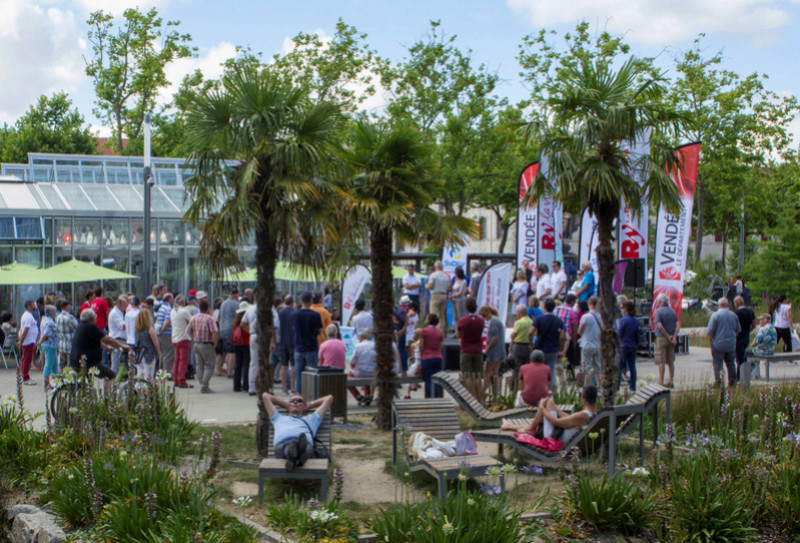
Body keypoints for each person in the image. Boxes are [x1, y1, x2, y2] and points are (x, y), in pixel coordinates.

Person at [501, 386, 598, 447]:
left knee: (547, 402)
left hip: (554, 438)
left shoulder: (582, 416)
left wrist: (542, 407)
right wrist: (556, 409)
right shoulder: (593, 414)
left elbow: (555, 422)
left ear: (583, 398)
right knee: (549, 403)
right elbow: (570, 419)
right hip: (560, 435)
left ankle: (529, 428)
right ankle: (511, 426)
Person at [261, 392, 333, 471]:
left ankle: (293, 458)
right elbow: (265, 396)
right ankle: (296, 453)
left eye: (299, 401)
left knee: (305, 448)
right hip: (283, 444)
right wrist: (287, 405)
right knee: (290, 448)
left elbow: (329, 398)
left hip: (305, 445)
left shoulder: (312, 419)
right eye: (292, 401)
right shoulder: (278, 417)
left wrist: (309, 405)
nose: (295, 402)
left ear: (304, 406)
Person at [69, 308, 131, 379]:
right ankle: (110, 390)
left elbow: (97, 340)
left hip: (75, 361)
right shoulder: (90, 327)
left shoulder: (81, 326)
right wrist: (122, 345)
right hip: (88, 363)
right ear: (92, 318)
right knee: (111, 375)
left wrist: (107, 348)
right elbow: (107, 339)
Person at [292, 291, 323, 394]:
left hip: (299, 348)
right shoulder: (315, 315)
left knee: (299, 376)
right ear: (310, 301)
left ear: (301, 301)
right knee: (312, 375)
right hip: (311, 348)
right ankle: (311, 395)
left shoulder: (295, 314)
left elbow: (293, 328)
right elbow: (319, 331)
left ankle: (298, 397)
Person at [532, 298, 565, 390]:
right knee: (551, 371)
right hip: (553, 349)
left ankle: (539, 390)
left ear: (544, 307)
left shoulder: (539, 319)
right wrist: (559, 348)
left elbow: (531, 332)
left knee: (538, 370)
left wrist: (531, 344)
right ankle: (551, 392)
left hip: (540, 348)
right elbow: (562, 337)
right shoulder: (558, 320)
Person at [708, 297, 741, 387]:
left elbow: (710, 332)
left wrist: (711, 342)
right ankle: (732, 381)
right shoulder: (733, 315)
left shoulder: (715, 316)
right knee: (731, 364)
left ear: (719, 305)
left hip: (718, 343)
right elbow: (738, 330)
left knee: (718, 364)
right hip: (730, 343)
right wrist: (733, 338)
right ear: (727, 305)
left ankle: (718, 381)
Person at [456, 297, 485, 402]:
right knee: (477, 376)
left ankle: (469, 398)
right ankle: (479, 397)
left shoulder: (463, 320)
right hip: (477, 349)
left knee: (467, 375)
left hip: (466, 350)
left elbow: (459, 334)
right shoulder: (481, 321)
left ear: (466, 307)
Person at [188, 299, 218, 392]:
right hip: (207, 343)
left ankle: (202, 384)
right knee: (210, 365)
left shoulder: (193, 317)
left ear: (199, 308)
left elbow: (188, 331)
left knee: (199, 365)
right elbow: (214, 332)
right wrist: (215, 343)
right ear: (207, 308)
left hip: (197, 343)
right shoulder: (209, 318)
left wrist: (194, 338)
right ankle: (204, 385)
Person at [479, 305, 505, 404]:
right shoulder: (496, 321)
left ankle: (482, 394)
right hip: (498, 350)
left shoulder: (494, 322)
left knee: (489, 373)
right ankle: (495, 396)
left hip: (495, 351)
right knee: (494, 373)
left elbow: (495, 337)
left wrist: (487, 348)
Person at [653, 293, 679, 388]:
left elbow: (659, 326)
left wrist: (667, 336)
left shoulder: (658, 312)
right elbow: (677, 325)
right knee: (671, 361)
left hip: (661, 338)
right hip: (672, 339)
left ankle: (661, 381)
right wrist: (674, 336)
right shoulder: (672, 311)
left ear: (660, 301)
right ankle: (671, 381)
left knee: (661, 361)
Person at [347, 328, 377, 405]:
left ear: (363, 337)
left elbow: (352, 362)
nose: (358, 338)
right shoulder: (376, 345)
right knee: (365, 372)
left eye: (359, 336)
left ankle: (358, 396)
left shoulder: (358, 346)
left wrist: (354, 367)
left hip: (361, 371)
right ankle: (367, 396)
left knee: (346, 378)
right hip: (374, 372)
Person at [554, 294, 580, 383]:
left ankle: (558, 373)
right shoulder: (573, 312)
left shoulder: (557, 309)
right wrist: (574, 340)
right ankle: (569, 376)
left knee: (558, 356)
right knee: (570, 358)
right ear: (572, 302)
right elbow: (574, 327)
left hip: (557, 335)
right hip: (567, 337)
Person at [578, 296, 602, 387]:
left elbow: (580, 330)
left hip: (587, 345)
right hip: (598, 345)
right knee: (598, 369)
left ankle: (586, 387)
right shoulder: (601, 317)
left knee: (587, 369)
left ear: (590, 304)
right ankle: (599, 387)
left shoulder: (586, 316)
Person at [418, 313, 444, 398]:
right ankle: (436, 397)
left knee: (428, 380)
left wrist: (421, 356)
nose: (425, 320)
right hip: (438, 357)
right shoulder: (439, 332)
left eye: (426, 319)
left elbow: (421, 346)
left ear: (429, 321)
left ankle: (430, 399)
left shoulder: (424, 331)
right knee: (436, 380)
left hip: (427, 357)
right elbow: (441, 346)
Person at [616, 301, 639, 391]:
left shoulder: (624, 319)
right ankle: (633, 386)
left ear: (625, 309)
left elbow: (620, 333)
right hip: (633, 345)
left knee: (620, 366)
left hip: (623, 345)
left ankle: (617, 387)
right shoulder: (635, 320)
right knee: (632, 366)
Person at [242, 298, 263, 396]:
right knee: (264, 361)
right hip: (263, 336)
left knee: (253, 363)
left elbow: (242, 323)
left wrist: (249, 330)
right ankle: (263, 386)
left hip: (253, 335)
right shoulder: (268, 309)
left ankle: (252, 387)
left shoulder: (249, 309)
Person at [734, 296, 756, 383]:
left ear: (737, 303)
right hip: (746, 337)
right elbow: (754, 325)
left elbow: (735, 327)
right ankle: (741, 374)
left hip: (738, 338)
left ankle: (740, 377)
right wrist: (747, 331)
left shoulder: (736, 313)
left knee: (739, 359)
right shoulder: (750, 311)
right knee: (743, 356)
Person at [134, 308, 161, 380]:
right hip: (149, 353)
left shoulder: (137, 329)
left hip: (139, 354)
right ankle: (147, 390)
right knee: (149, 375)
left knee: (140, 374)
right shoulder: (150, 329)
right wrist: (158, 352)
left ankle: (139, 389)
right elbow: (156, 343)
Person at [218, 289, 240, 376]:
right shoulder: (236, 304)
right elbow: (238, 317)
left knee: (222, 352)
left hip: (222, 329)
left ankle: (219, 370)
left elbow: (219, 318)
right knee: (231, 352)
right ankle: (229, 372)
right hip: (231, 329)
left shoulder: (223, 303)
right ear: (235, 295)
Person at [426, 260, 451, 335]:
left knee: (433, 314)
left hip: (435, 295)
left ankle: (434, 333)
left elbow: (430, 286)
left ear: (435, 267)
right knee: (442, 315)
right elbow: (449, 287)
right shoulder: (446, 276)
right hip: (444, 295)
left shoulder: (433, 275)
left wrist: (426, 286)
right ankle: (441, 332)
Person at [17, 300, 39, 386]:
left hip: (29, 341)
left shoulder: (27, 316)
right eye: (33, 305)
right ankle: (25, 377)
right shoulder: (28, 317)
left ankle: (24, 375)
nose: (35, 306)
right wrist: (21, 340)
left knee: (25, 358)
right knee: (27, 359)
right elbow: (25, 329)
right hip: (28, 341)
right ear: (28, 306)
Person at [232, 302, 252, 393]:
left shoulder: (236, 320)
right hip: (246, 342)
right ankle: (245, 385)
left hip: (237, 343)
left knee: (238, 365)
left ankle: (236, 385)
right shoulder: (246, 320)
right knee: (246, 364)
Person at [509, 304, 533, 381]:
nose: (516, 314)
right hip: (527, 346)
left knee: (517, 366)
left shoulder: (519, 322)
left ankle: (516, 384)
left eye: (517, 312)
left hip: (518, 346)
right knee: (526, 366)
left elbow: (513, 336)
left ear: (520, 312)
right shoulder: (531, 322)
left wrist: (510, 348)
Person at [278, 295, 296, 394]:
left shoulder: (280, 313)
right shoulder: (295, 313)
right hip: (293, 340)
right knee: (293, 364)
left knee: (283, 365)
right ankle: (293, 387)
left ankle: (284, 387)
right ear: (292, 303)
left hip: (282, 340)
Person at [38, 305, 58, 390]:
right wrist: (41, 341)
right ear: (52, 313)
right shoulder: (49, 322)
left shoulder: (44, 320)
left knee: (54, 364)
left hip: (50, 345)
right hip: (50, 345)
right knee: (49, 363)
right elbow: (46, 334)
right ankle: (46, 382)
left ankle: (55, 381)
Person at [108, 296, 128, 374]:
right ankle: (112, 380)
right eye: (125, 305)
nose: (126, 307)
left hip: (120, 339)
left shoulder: (120, 313)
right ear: (119, 304)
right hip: (117, 339)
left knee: (120, 363)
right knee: (116, 363)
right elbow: (123, 326)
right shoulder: (115, 313)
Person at [155, 293, 174, 374]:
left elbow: (157, 321)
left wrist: (158, 332)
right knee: (168, 354)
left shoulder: (161, 308)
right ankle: (167, 372)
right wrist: (162, 331)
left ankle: (161, 371)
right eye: (172, 298)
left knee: (162, 354)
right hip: (166, 335)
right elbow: (167, 321)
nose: (173, 300)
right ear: (169, 299)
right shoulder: (168, 308)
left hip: (160, 335)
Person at [55, 301, 77, 374]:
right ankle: (69, 381)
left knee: (61, 364)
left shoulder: (57, 317)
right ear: (67, 307)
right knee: (70, 365)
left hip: (61, 344)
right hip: (70, 344)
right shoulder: (70, 318)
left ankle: (60, 380)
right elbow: (76, 328)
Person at [393, 296, 409, 372]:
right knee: (402, 349)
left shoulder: (394, 309)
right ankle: (404, 368)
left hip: (396, 328)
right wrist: (404, 328)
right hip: (402, 328)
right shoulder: (404, 310)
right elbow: (406, 319)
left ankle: (398, 368)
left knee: (396, 350)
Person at [451, 266, 468, 331]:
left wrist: (454, 295)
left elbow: (461, 292)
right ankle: (456, 331)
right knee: (455, 316)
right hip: (454, 299)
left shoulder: (463, 281)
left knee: (460, 315)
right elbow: (453, 289)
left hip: (460, 299)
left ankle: (462, 330)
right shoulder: (455, 280)